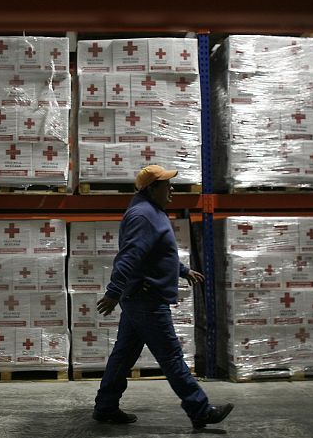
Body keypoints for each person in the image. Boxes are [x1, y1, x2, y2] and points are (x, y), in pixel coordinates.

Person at [92, 164, 234, 431]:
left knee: (122, 356)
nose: (172, 190)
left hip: (142, 299)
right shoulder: (144, 216)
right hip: (146, 300)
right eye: (167, 185)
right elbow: (130, 257)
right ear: (151, 188)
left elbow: (156, 254)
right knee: (171, 357)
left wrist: (182, 270)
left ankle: (106, 407)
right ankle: (200, 410)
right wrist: (113, 292)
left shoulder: (153, 213)